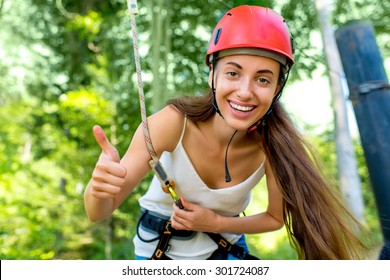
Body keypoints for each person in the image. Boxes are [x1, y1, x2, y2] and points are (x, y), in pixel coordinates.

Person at [84, 5, 367, 260]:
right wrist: (97, 189)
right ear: (212, 74)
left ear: (277, 89)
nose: (245, 92)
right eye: (233, 73)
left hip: (227, 252)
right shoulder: (171, 124)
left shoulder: (276, 146)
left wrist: (217, 223)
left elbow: (274, 218)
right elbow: (99, 212)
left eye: (263, 79)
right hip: (159, 253)